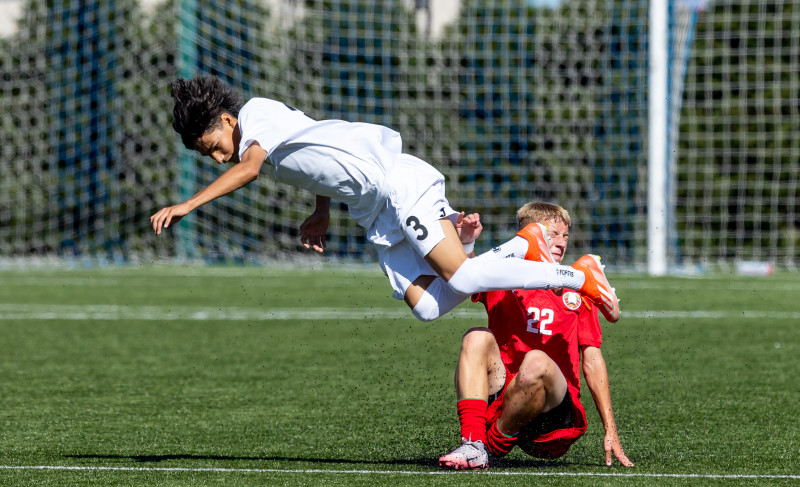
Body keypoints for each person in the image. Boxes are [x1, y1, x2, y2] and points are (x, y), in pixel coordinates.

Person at [150, 76, 620, 323]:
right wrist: (320, 210)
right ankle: (514, 246)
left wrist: (187, 204)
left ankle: (578, 276)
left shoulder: (255, 116)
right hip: (375, 212)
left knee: (463, 275)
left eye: (213, 147)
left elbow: (249, 168)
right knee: (429, 306)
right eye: (207, 155)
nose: (218, 158)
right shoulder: (262, 137)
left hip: (397, 183)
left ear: (227, 120)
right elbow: (318, 157)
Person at [438, 202, 633, 470]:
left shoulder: (579, 287)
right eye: (552, 234)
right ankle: (473, 444)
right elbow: (465, 281)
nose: (561, 242)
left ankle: (491, 448)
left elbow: (592, 360)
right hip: (505, 400)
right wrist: (467, 243)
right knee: (476, 337)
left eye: (565, 235)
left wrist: (611, 429)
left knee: (537, 361)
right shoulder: (504, 278)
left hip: (550, 417)